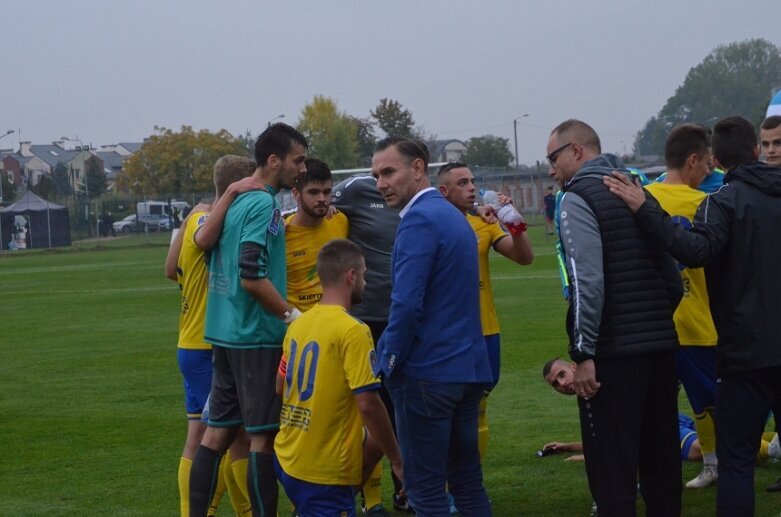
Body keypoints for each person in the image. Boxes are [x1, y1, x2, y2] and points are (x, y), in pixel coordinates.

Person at [604, 116, 781, 516]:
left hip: (745, 354)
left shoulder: (723, 203)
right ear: (756, 150)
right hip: (747, 348)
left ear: (716, 159)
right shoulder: (724, 200)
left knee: (735, 461)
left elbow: (693, 251)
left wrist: (645, 208)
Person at [548, 119, 682, 517]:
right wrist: (655, 322)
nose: (551, 170)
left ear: (576, 150)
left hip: (615, 355)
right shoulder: (635, 188)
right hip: (660, 348)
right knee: (662, 468)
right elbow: (672, 279)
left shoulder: (577, 197)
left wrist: (583, 350)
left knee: (613, 476)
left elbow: (588, 281)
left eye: (553, 158)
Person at [188, 123, 308, 517]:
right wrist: (293, 317)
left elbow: (202, 242)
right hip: (254, 335)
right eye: (298, 160)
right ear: (274, 161)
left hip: (222, 333)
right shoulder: (262, 204)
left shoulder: (237, 201)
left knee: (216, 432)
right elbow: (251, 274)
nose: (302, 169)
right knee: (262, 439)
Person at [372, 136, 493, 516]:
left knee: (424, 489)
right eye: (376, 175)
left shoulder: (419, 219)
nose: (381, 183)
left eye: (389, 172)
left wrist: (387, 361)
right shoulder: (453, 216)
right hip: (467, 369)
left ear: (418, 168)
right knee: (467, 482)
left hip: (428, 374)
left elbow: (406, 304)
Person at [274, 239, 403, 516]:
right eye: (364, 275)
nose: (365, 283)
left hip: (288, 454)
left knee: (371, 440)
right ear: (351, 276)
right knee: (379, 431)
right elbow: (368, 404)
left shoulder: (299, 325)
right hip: (323, 472)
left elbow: (279, 385)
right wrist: (398, 460)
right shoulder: (353, 330)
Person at [165, 155, 262, 517]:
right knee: (210, 437)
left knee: (234, 436)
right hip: (207, 345)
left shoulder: (196, 217)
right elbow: (208, 243)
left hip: (195, 342)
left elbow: (169, 270)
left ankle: (241, 511)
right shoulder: (208, 221)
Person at [437, 162, 533, 461]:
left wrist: (513, 223)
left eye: (472, 181)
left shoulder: (485, 222)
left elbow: (524, 257)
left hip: (486, 328)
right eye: (462, 183)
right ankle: (446, 489)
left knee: (479, 408)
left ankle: (470, 484)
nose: (471, 188)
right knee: (449, 411)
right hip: (452, 332)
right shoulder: (432, 223)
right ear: (444, 191)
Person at [644, 124, 721, 489]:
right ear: (692, 160)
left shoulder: (641, 198)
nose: (708, 170)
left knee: (652, 405)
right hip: (695, 320)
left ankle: (653, 473)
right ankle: (714, 463)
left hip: (650, 322)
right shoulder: (707, 205)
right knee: (706, 403)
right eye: (706, 162)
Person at [331, 171, 406, 513]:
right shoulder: (357, 189)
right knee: (372, 412)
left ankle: (407, 492)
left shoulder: (420, 196)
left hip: (405, 319)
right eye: (381, 170)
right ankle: (363, 499)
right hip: (367, 320)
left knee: (404, 410)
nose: (385, 177)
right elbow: (318, 206)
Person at [541, 358, 779, 464]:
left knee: (699, 451)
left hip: (657, 424)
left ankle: (771, 451)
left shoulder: (598, 383)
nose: (561, 384)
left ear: (574, 367)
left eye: (561, 375)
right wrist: (567, 446)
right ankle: (771, 441)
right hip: (669, 421)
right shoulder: (588, 396)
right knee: (720, 438)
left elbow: (619, 442)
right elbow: (609, 440)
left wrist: (591, 456)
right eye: (555, 384)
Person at [285, 158, 349, 312]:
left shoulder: (340, 220)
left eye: (327, 192)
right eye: (313, 192)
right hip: (297, 329)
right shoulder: (282, 234)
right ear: (295, 193)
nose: (322, 199)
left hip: (335, 324)